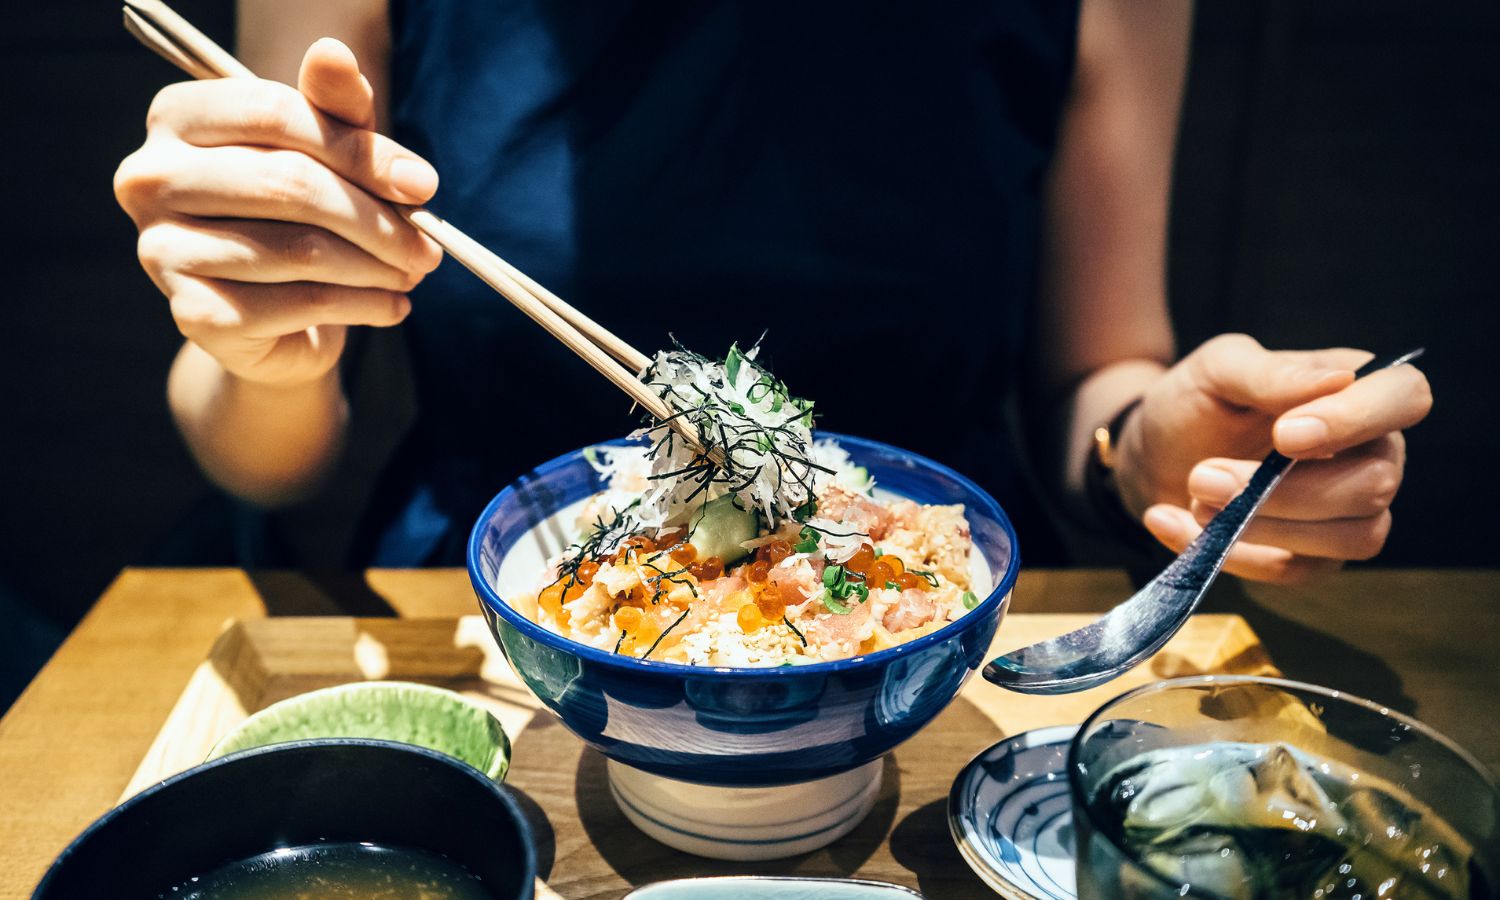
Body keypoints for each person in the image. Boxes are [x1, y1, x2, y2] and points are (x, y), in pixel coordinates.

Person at [113, 0, 1430, 583]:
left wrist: (1164, 450)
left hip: (934, 626)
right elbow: (268, 458)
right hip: (489, 608)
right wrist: (256, 354)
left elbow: (1101, 376)